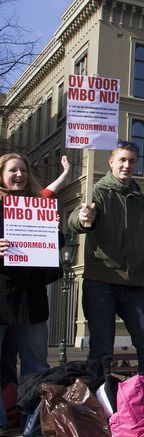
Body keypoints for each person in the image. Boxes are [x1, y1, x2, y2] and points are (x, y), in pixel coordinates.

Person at [68, 142, 144, 384]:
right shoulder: (97, 193)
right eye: (122, 160)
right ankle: (97, 407)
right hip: (101, 282)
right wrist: (81, 217)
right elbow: (76, 220)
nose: (126, 165)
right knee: (102, 350)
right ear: (111, 162)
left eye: (131, 161)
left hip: (134, 285)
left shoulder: (143, 202)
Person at [0, 153, 60, 429]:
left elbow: (54, 263)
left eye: (23, 170)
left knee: (36, 364)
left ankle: (35, 423)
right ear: (1, 174)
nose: (19, 175)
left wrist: (53, 237)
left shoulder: (42, 207)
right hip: (2, 299)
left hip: (32, 301)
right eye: (13, 170)